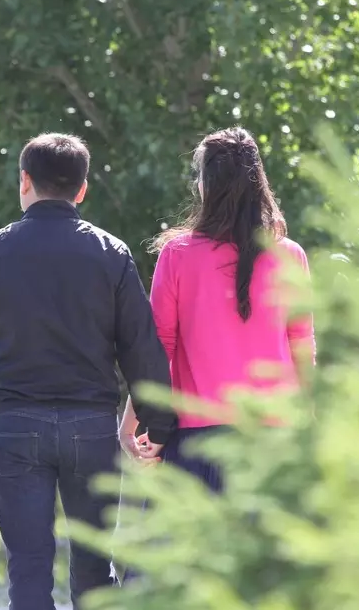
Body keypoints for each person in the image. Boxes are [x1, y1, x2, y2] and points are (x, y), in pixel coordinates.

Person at [0, 133, 176, 610]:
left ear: (24, 181)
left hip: (16, 425)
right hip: (91, 428)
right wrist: (158, 425)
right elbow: (141, 347)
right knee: (94, 565)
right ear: (82, 189)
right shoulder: (111, 253)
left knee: (27, 568)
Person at [120, 126, 315, 491]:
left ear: (206, 186)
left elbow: (159, 349)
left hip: (198, 443)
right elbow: (302, 349)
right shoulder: (290, 255)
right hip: (275, 439)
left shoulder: (178, 255)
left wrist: (131, 423)